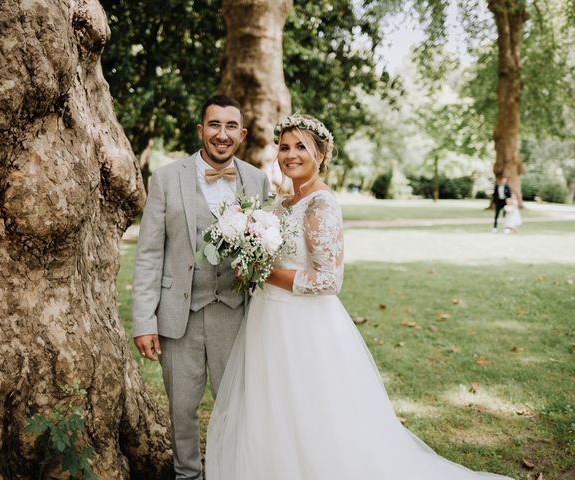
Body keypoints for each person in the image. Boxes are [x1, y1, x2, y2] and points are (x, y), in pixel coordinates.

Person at [205, 114, 513, 480]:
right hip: (266, 319)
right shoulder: (282, 204)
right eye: (284, 147)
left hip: (304, 324)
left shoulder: (320, 204)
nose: (290, 155)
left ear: (321, 154)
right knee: (270, 407)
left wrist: (264, 272)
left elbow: (328, 279)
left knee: (310, 410)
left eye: (301, 147)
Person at [132, 94, 270, 480]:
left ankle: (231, 471)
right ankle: (187, 474)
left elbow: (267, 250)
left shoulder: (257, 181)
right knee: (182, 408)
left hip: (235, 314)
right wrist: (144, 320)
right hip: (180, 315)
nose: (221, 135)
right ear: (200, 130)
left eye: (230, 127)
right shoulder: (165, 178)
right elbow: (148, 254)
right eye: (214, 125)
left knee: (235, 407)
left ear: (241, 134)